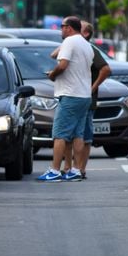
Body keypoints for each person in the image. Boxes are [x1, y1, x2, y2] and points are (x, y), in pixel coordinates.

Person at [36, 16, 94, 182]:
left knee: (60, 134)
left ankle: (54, 170)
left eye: (62, 26)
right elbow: (60, 58)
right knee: (78, 134)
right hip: (84, 95)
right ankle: (76, 170)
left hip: (70, 94)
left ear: (69, 28)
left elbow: (62, 65)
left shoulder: (70, 42)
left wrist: (53, 75)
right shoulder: (86, 44)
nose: (60, 29)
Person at [55, 21, 111, 180]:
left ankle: (79, 168)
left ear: (85, 34)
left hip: (80, 96)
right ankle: (69, 168)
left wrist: (92, 88)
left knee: (82, 135)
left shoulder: (89, 48)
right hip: (79, 95)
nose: (65, 29)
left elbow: (106, 69)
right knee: (72, 135)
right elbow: (53, 55)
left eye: (80, 28)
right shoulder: (74, 45)